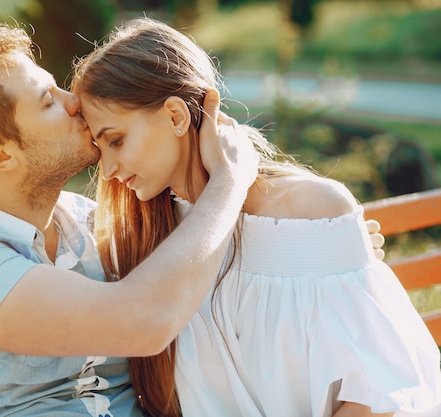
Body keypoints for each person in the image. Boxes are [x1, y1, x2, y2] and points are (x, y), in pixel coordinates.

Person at [70, 17, 441, 417]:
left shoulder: (311, 211)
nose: (105, 170)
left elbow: (378, 392)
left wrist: (333, 243)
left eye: (116, 140)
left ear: (176, 117)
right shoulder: (152, 243)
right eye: (99, 147)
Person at [0, 23, 259, 416]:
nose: (75, 102)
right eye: (48, 101)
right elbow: (143, 322)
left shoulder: (89, 224)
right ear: (0, 155)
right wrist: (229, 181)